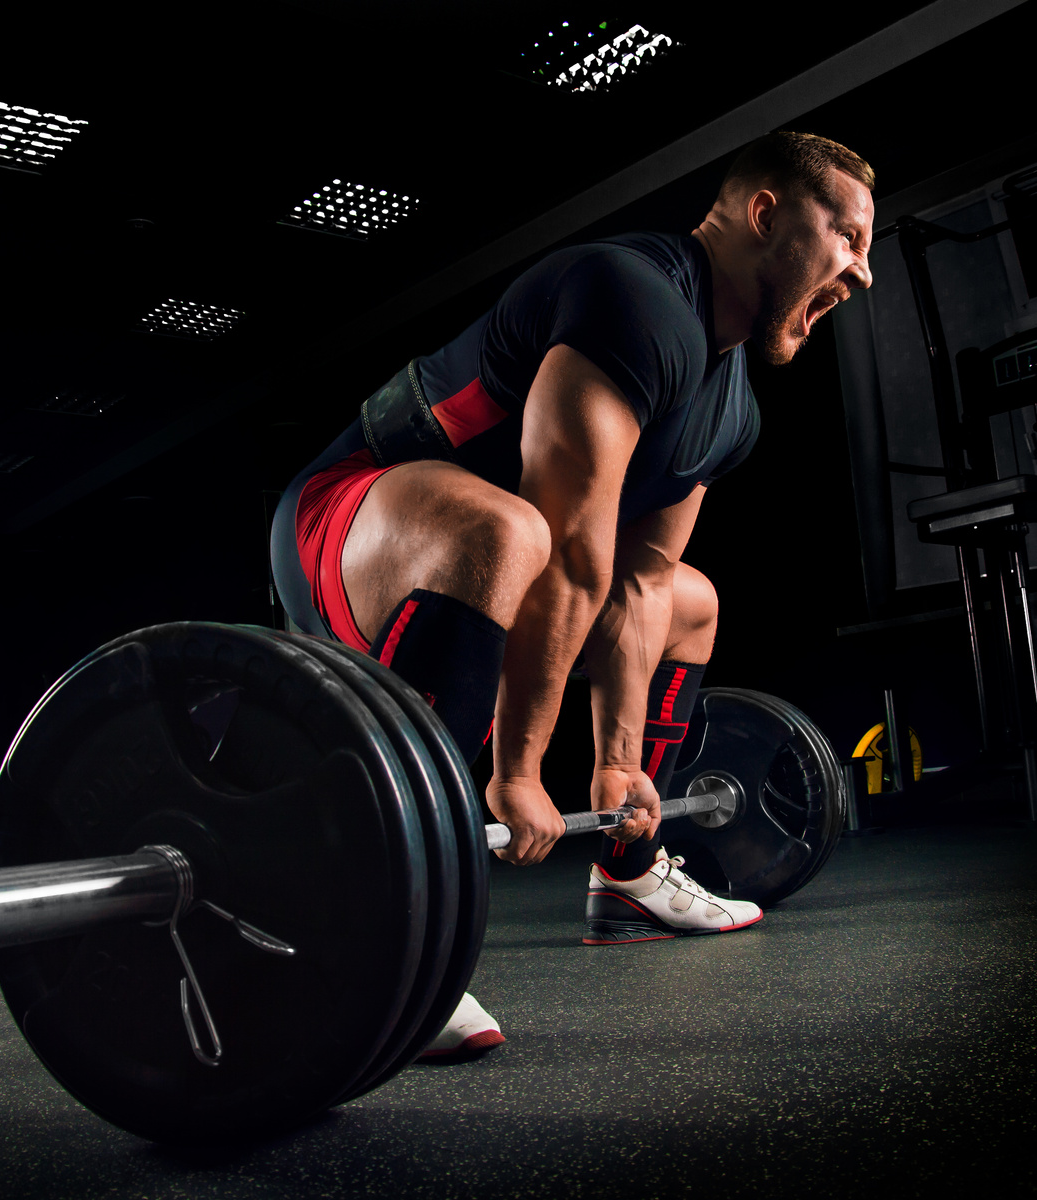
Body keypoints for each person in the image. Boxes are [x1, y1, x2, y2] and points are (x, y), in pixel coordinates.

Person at [270, 130, 875, 1057]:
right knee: (509, 533)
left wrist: (615, 768)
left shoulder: (732, 402)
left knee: (691, 600)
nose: (860, 273)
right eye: (847, 238)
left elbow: (636, 580)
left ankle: (629, 872)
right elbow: (567, 559)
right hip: (346, 522)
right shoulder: (631, 296)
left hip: (491, 566)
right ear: (766, 215)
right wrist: (514, 773)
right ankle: (369, 929)